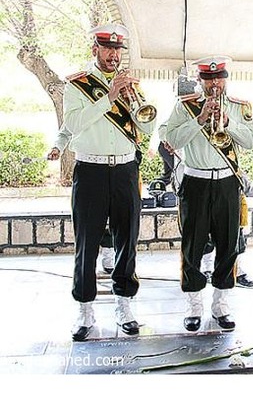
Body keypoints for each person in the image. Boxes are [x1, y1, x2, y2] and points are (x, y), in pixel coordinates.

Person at [63, 23, 156, 341]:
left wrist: (133, 101)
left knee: (127, 240)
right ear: (95, 50)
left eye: (117, 50)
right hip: (90, 170)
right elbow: (73, 124)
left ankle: (124, 306)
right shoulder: (78, 85)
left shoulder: (131, 85)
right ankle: (84, 310)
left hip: (125, 171)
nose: (113, 55)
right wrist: (109, 97)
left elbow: (147, 128)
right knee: (87, 243)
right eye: (107, 48)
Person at [162, 55, 253, 331]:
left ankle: (221, 305)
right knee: (193, 245)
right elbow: (172, 139)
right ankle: (194, 306)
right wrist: (200, 119)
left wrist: (228, 123)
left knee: (228, 245)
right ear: (200, 80)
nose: (215, 83)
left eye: (219, 78)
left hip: (227, 183)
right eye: (208, 79)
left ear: (226, 78)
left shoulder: (240, 107)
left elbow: (250, 142)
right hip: (196, 182)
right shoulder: (185, 106)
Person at [47, 124, 115, 274]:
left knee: (115, 217)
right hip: (90, 169)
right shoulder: (81, 111)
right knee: (89, 219)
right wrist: (57, 148)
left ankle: (110, 255)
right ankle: (86, 272)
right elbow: (65, 131)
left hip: (120, 168)